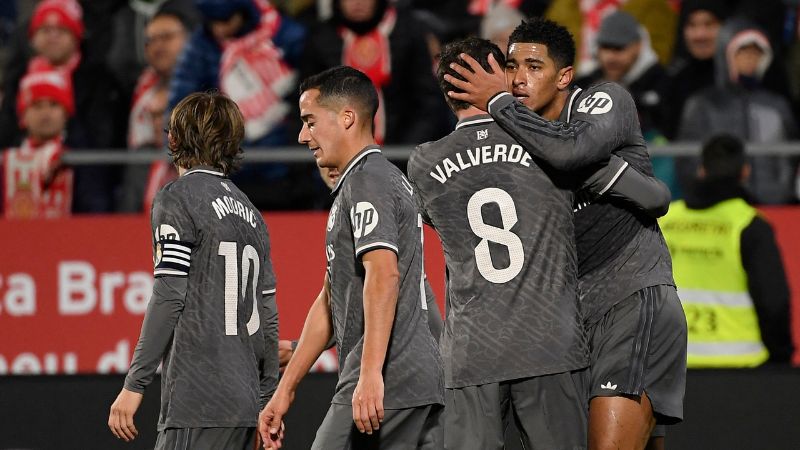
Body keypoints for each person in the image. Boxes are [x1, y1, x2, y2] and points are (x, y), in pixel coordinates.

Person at [411, 35, 673, 450]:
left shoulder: (422, 162)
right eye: (511, 68)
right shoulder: (548, 150)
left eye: (532, 67)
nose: (518, 80)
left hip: (478, 347)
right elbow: (657, 198)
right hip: (552, 341)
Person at [258, 66, 443, 449]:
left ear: (346, 118)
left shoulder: (368, 180)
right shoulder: (369, 181)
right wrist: (285, 389)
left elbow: (385, 276)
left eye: (310, 121)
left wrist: (371, 374)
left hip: (390, 379)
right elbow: (330, 301)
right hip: (412, 380)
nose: (302, 135)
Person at [107, 91, 279, 450]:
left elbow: (169, 294)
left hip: (197, 401)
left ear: (172, 138)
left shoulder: (177, 197)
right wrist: (267, 402)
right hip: (245, 404)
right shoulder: (253, 215)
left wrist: (134, 385)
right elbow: (267, 319)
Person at [277, 165, 444, 369]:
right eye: (324, 164)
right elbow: (340, 303)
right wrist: (298, 350)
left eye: (336, 163)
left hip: (410, 368)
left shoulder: (370, 191)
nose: (330, 169)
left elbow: (387, 284)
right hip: (419, 361)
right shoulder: (353, 206)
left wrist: (369, 373)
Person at [660, 134, 795, 367]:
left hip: (670, 365)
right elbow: (774, 303)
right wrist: (781, 357)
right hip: (740, 366)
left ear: (701, 170)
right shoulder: (749, 225)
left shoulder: (665, 220)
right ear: (745, 172)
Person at [0, 0, 125, 213]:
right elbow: (6, 131)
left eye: (61, 29)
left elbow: (103, 140)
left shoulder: (99, 81)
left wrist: (62, 148)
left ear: (76, 35)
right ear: (32, 37)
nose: (52, 36)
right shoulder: (18, 77)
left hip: (82, 188)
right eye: (45, 30)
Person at [677, 18, 798, 205]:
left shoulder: (777, 105)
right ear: (726, 53)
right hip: (716, 207)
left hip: (773, 207)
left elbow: (787, 160)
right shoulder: (702, 104)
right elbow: (688, 161)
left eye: (757, 53)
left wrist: (778, 195)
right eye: (743, 51)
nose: (750, 59)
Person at [300, 0, 449, 146]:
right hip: (335, 153)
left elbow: (428, 101)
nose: (358, 2)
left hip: (402, 153)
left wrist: (407, 153)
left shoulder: (409, 32)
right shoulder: (319, 38)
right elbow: (305, 103)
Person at [121, 9, 190, 213]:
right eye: (151, 40)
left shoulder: (211, 87)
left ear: (188, 40)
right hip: (142, 210)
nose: (158, 46)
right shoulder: (139, 92)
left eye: (167, 37)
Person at [576, 11, 667, 140]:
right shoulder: (583, 84)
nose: (611, 56)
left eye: (619, 48)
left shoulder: (660, 82)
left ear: (638, 46)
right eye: (606, 47)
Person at [3, 67, 74, 218]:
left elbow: (94, 204)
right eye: (37, 106)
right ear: (23, 116)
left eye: (54, 105)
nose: (45, 113)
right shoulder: (6, 158)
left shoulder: (80, 156)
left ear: (65, 113)